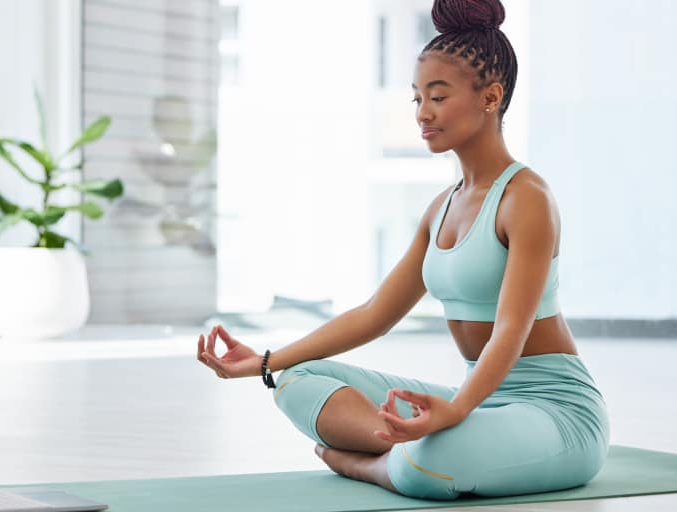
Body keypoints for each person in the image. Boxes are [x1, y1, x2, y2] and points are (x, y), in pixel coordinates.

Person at [196, 0, 609, 500]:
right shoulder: (441, 208)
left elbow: (510, 332)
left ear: (490, 97)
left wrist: (455, 413)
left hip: (554, 413)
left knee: (434, 461)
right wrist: (264, 359)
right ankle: (402, 451)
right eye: (417, 99)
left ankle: (375, 464)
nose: (423, 113)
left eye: (438, 96)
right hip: (476, 401)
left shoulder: (527, 199)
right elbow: (373, 314)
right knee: (297, 380)